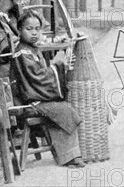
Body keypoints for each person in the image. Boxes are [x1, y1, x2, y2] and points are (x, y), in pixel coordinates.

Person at [9, 11, 85, 168]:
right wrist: (59, 65)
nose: (34, 32)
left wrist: (57, 66)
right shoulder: (22, 52)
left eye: (37, 28)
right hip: (29, 101)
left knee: (63, 109)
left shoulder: (30, 49)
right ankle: (69, 156)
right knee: (63, 109)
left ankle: (70, 155)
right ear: (19, 30)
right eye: (29, 29)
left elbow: (39, 77)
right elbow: (38, 77)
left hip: (36, 96)